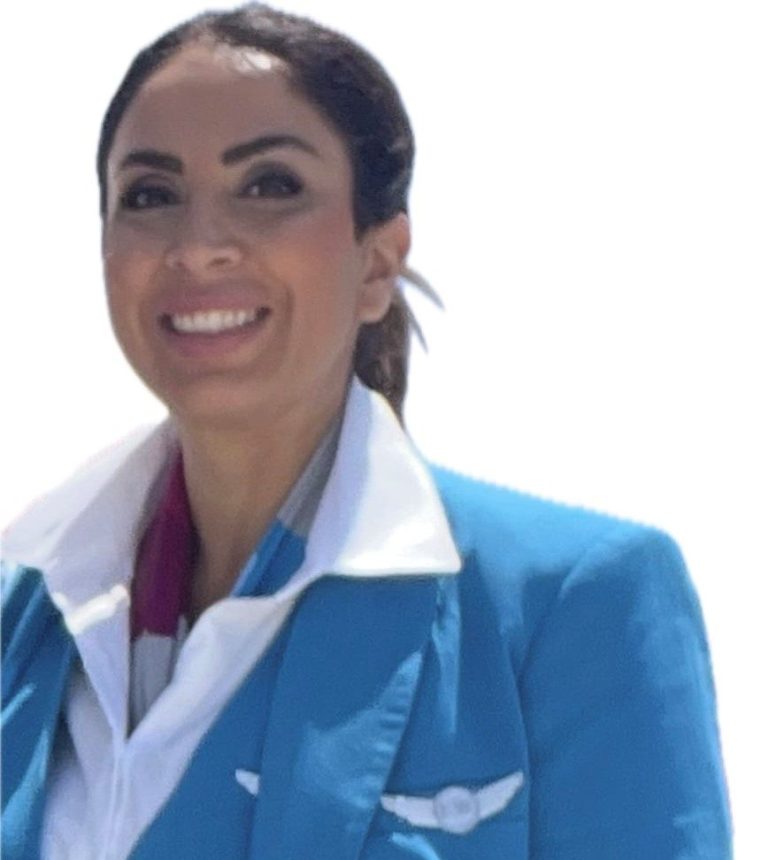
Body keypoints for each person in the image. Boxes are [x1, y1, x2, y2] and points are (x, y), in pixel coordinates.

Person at [1, 3, 733, 858]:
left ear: (378, 261)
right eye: (151, 195)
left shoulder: (572, 605)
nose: (198, 247)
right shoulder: (24, 621)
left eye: (269, 185)